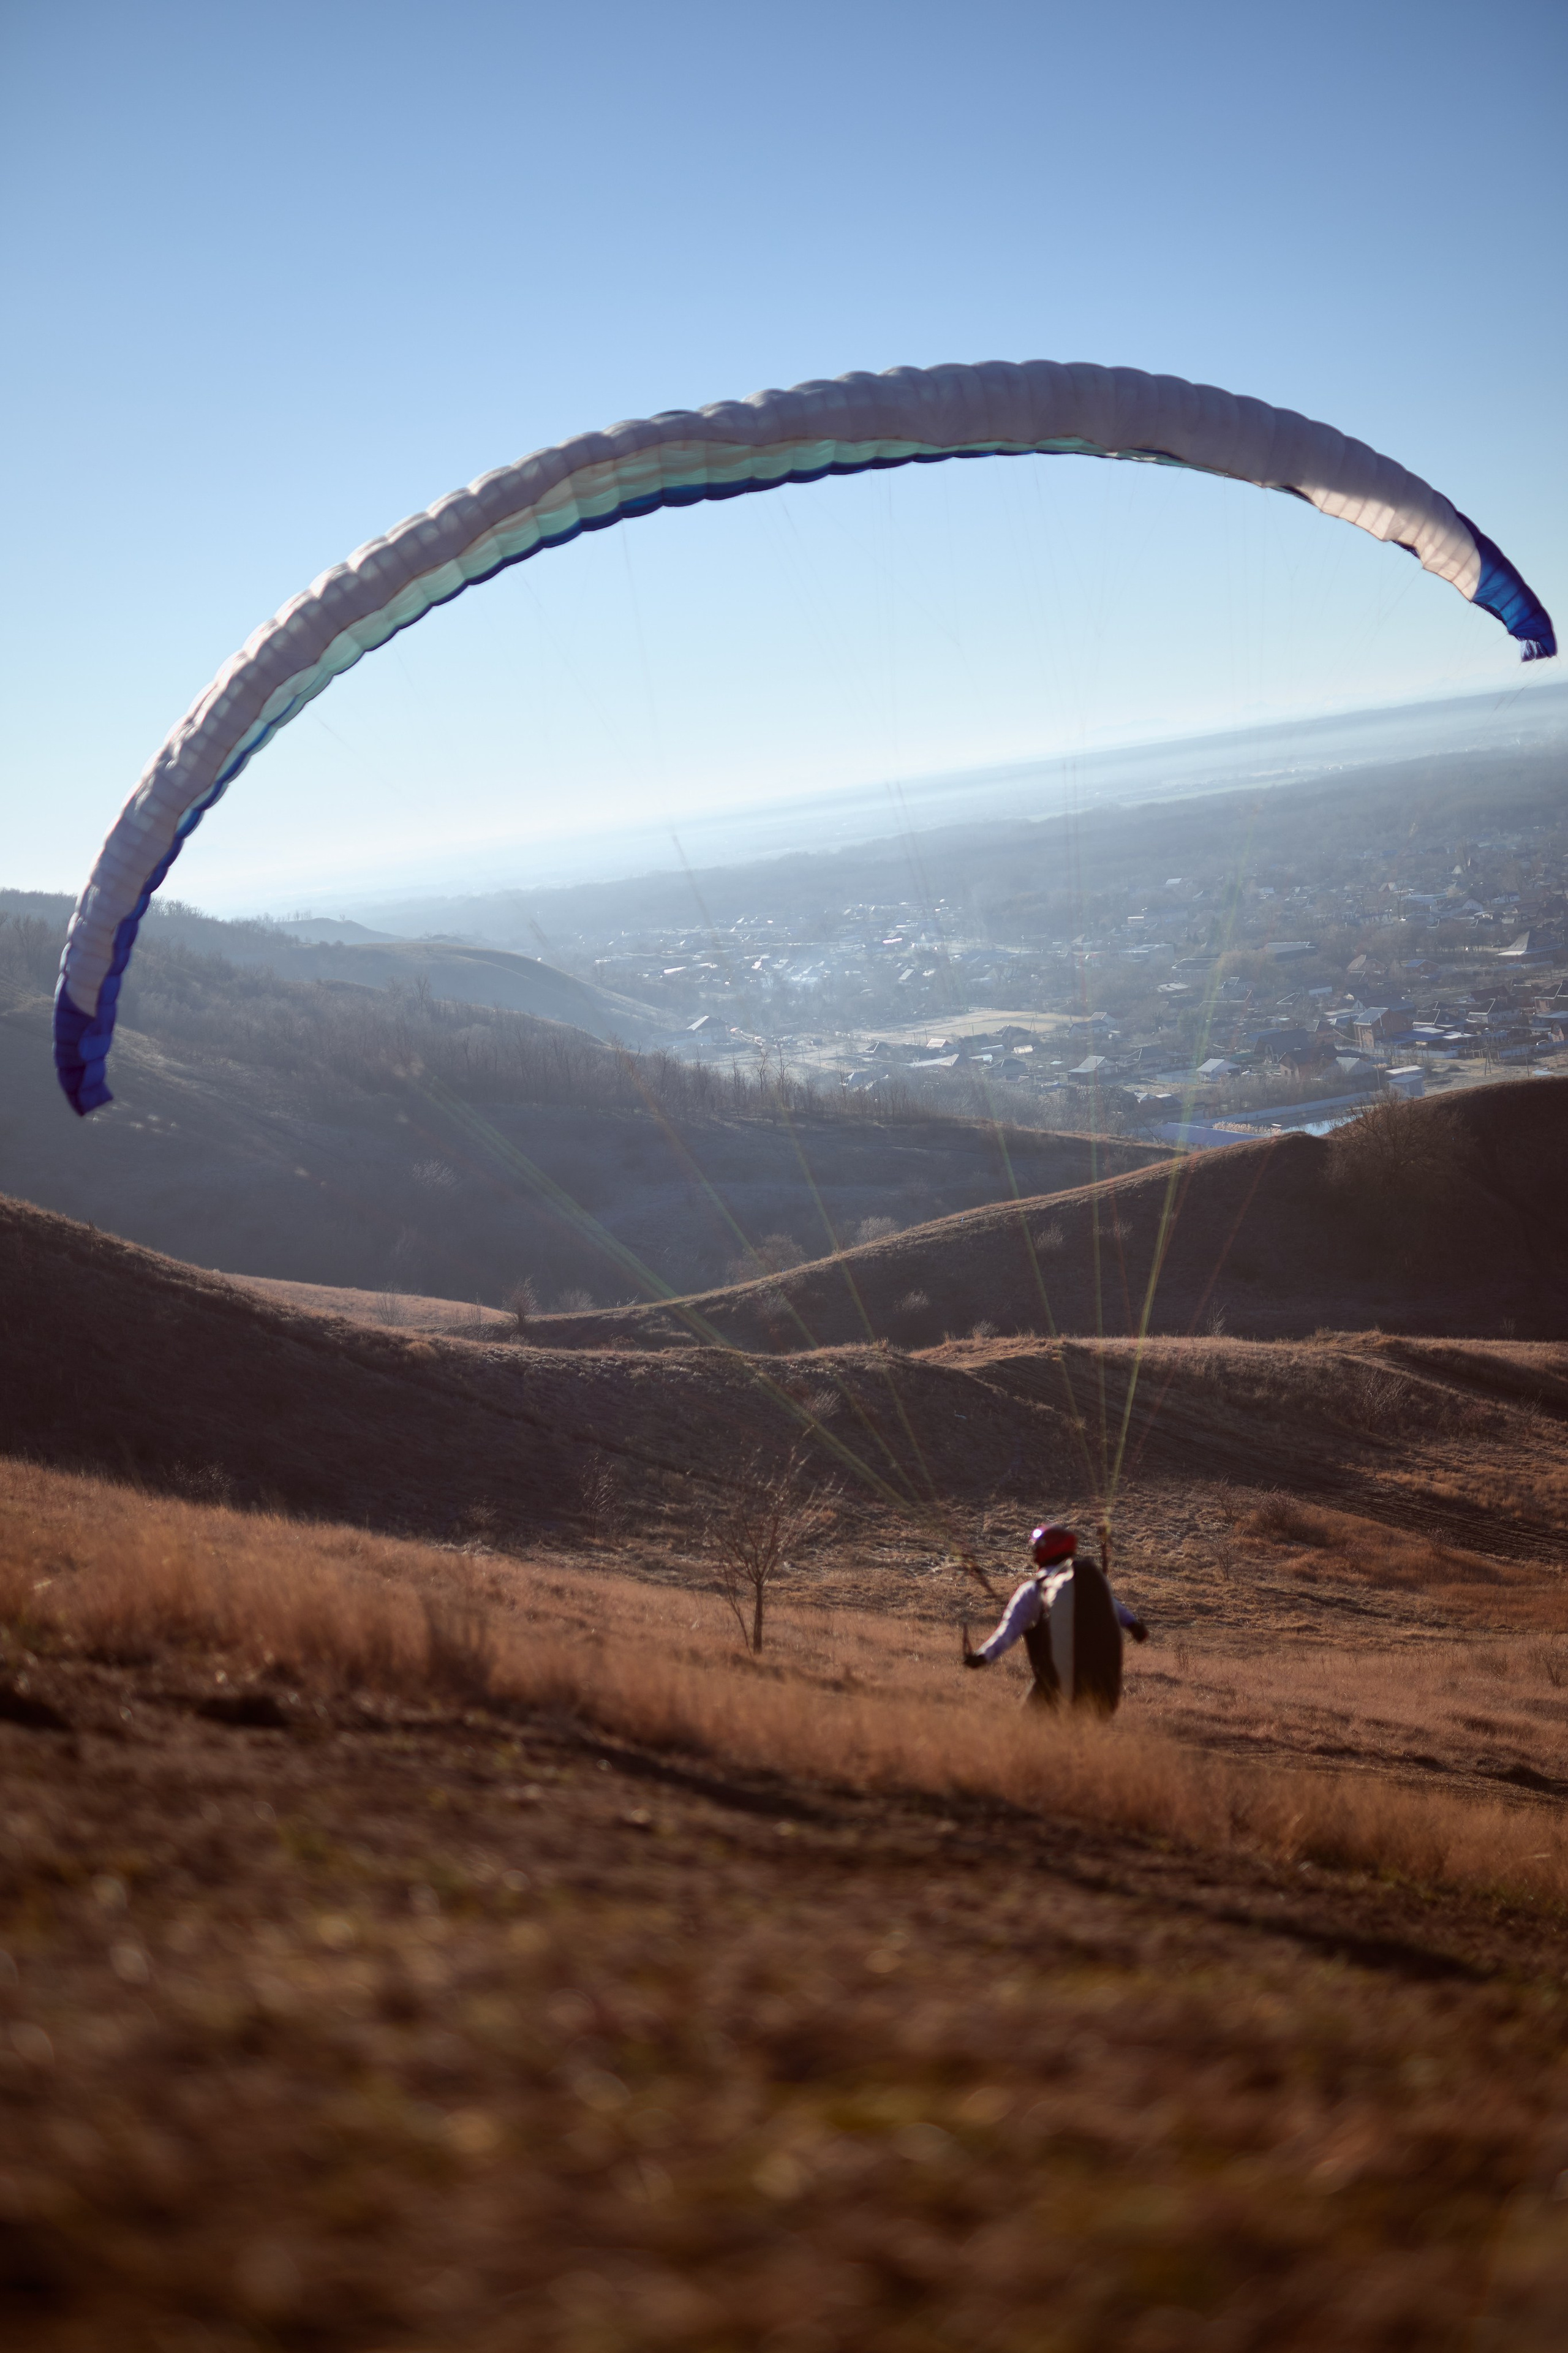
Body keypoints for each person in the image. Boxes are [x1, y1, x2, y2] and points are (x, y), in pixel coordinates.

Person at [963, 1522, 1148, 1711]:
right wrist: (1135, 1627)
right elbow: (1118, 1609)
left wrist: (983, 1656)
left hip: (1053, 1694)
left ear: (1041, 1552)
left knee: (1022, 1735)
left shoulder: (1034, 1590)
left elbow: (1007, 1632)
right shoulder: (1087, 1588)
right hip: (1101, 1697)